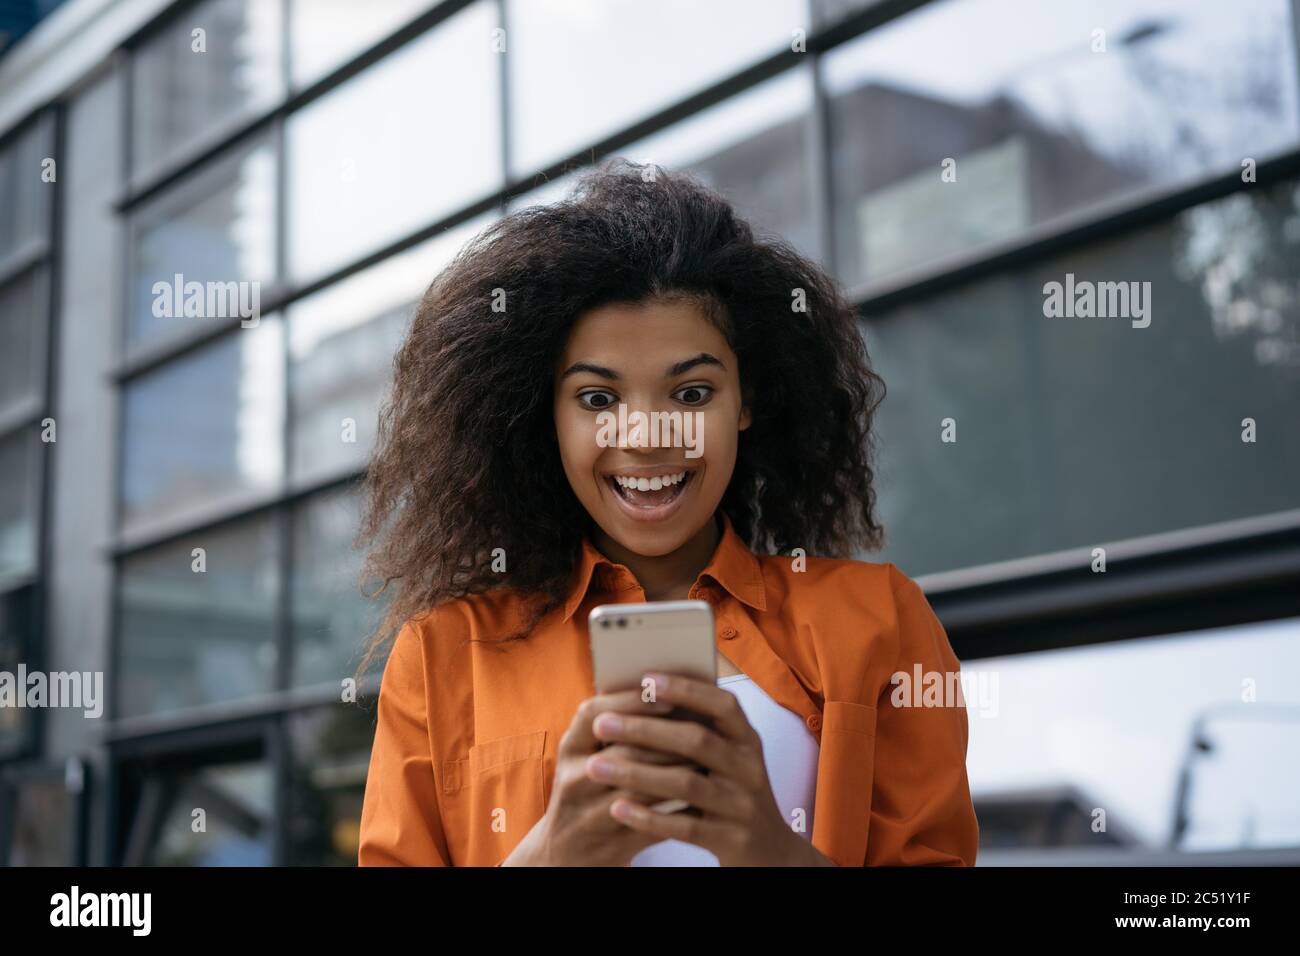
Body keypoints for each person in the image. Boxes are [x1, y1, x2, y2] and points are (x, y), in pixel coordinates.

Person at [354, 158, 978, 866]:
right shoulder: (443, 654)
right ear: (544, 419)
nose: (648, 436)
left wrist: (770, 850)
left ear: (747, 402)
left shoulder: (881, 624)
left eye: (691, 394)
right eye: (597, 399)